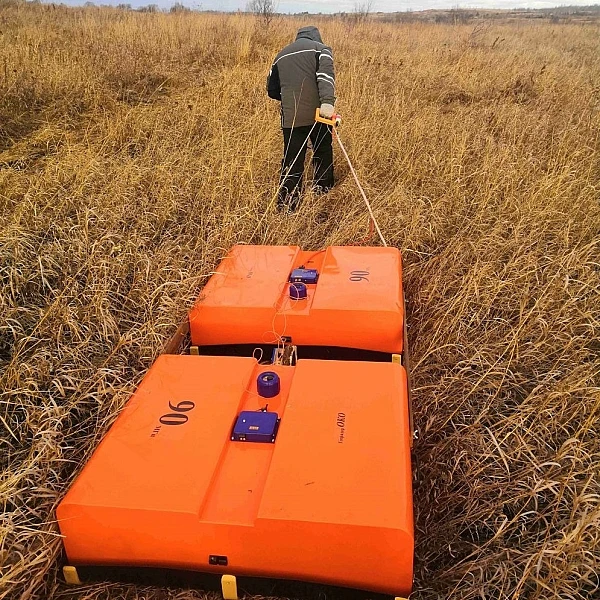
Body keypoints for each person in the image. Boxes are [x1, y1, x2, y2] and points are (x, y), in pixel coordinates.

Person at [266, 26, 336, 212]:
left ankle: (287, 206)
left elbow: (271, 90)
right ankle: (323, 193)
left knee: (292, 160)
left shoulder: (280, 55)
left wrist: (290, 98)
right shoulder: (322, 50)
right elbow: (326, 78)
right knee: (322, 151)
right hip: (319, 115)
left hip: (291, 118)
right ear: (316, 37)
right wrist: (327, 102)